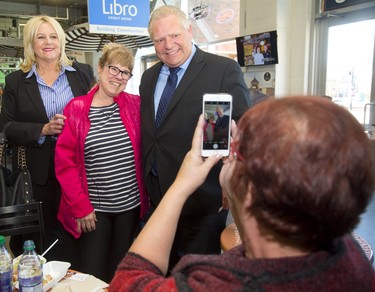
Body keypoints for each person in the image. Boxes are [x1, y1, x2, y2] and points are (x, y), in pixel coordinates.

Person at [110, 96, 375, 290]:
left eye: (237, 154)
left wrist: (181, 185)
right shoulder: (353, 256)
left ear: (249, 193)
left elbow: (128, 281)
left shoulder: (217, 284)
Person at [140, 5, 251, 271]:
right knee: (162, 274)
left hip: (203, 199)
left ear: (189, 31)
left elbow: (244, 128)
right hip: (158, 199)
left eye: (174, 35)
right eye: (159, 40)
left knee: (198, 277)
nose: (168, 45)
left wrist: (232, 181)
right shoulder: (148, 77)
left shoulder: (223, 70)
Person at [0, 15, 95, 262]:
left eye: (53, 36)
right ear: (31, 44)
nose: (48, 42)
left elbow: (98, 111)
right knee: (43, 240)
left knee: (81, 235)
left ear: (61, 41)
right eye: (41, 37)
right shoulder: (16, 82)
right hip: (37, 175)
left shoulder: (82, 74)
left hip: (79, 170)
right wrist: (42, 129)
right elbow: (7, 127)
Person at [55, 43, 149, 282]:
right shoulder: (76, 109)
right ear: (100, 68)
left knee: (121, 275)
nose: (118, 77)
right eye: (113, 69)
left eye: (125, 72)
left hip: (130, 208)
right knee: (93, 275)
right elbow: (65, 165)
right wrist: (80, 206)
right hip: (94, 212)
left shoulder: (135, 105)